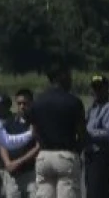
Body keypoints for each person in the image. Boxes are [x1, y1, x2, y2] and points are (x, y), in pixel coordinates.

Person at [29, 66, 85, 198]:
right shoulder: (73, 101)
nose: (71, 80)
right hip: (66, 154)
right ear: (61, 77)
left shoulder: (37, 102)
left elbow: (34, 130)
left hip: (44, 155)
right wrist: (77, 150)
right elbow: (81, 132)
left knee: (44, 193)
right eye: (69, 76)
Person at [84, 77, 109, 198]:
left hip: (103, 156)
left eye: (99, 88)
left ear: (106, 89)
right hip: (90, 156)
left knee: (98, 193)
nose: (96, 92)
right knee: (91, 192)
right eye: (94, 88)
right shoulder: (92, 109)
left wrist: (87, 132)